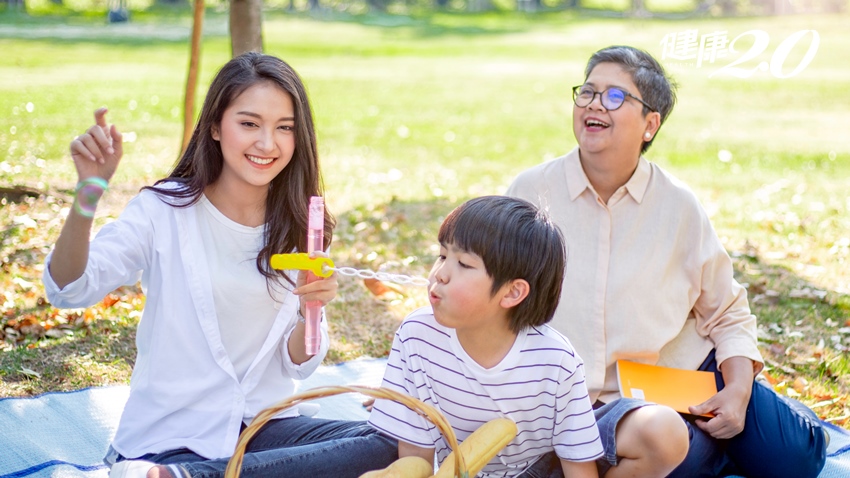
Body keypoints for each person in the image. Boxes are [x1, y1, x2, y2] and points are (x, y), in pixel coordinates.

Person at [43, 52, 397, 478]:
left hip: (265, 431)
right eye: (249, 124)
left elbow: (298, 363)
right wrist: (89, 190)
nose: (267, 144)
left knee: (392, 444)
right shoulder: (162, 211)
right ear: (215, 126)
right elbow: (69, 288)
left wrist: (312, 311)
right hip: (171, 439)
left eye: (284, 128)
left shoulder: (300, 224)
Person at [506, 45, 828, 478]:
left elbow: (727, 311)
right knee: (678, 458)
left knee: (796, 459)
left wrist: (737, 390)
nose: (595, 104)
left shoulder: (678, 206)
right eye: (588, 92)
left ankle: (763, 418)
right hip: (600, 409)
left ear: (650, 124)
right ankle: (716, 450)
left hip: (686, 375)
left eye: (615, 96)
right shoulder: (529, 193)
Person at [368, 196, 604, 478]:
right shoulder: (417, 334)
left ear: (512, 292)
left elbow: (578, 467)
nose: (439, 274)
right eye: (442, 256)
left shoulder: (556, 362)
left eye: (463, 264)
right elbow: (414, 460)